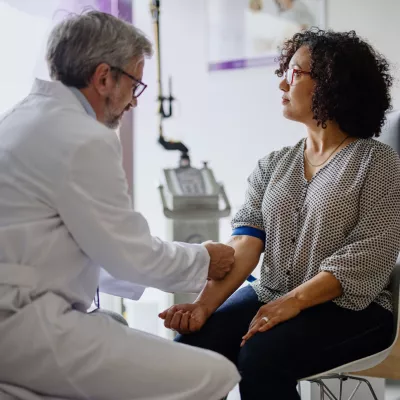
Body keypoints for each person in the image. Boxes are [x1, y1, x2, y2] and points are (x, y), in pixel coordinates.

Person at [0, 11, 241, 400]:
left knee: (113, 324)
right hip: (22, 326)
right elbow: (132, 256)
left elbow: (88, 249)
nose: (134, 100)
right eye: (135, 83)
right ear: (103, 78)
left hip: (20, 316)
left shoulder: (19, 119)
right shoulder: (84, 138)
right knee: (215, 374)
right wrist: (204, 261)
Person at [160, 29, 400, 400]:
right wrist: (201, 306)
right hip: (270, 292)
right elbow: (245, 244)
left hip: (352, 308)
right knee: (190, 349)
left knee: (261, 357)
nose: (282, 84)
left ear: (331, 83)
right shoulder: (273, 165)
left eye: (295, 73)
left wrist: (292, 302)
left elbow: (369, 255)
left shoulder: (378, 162)